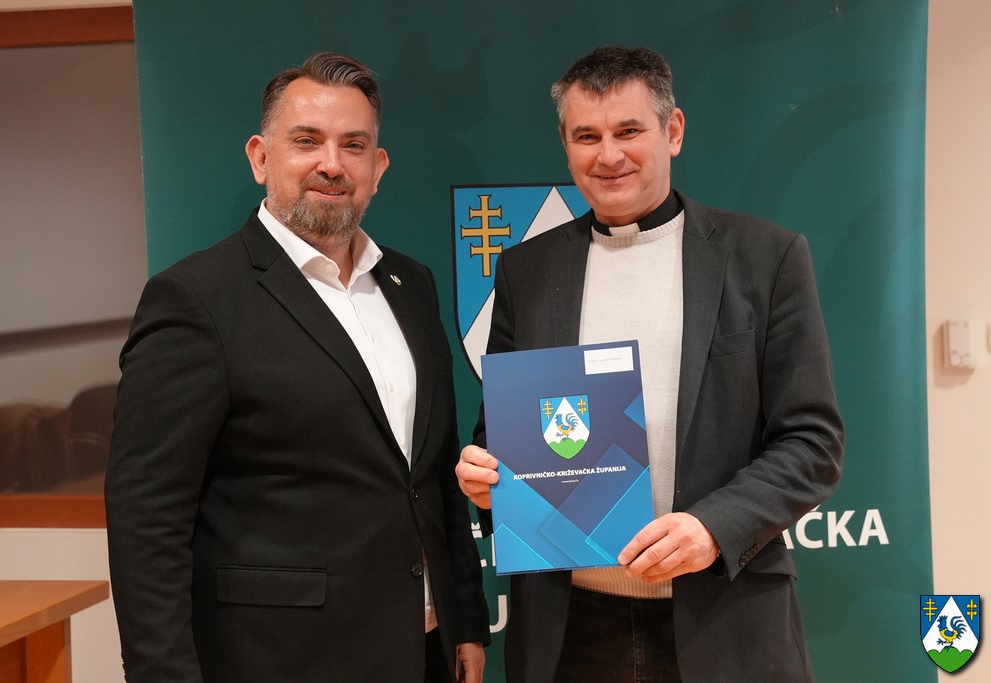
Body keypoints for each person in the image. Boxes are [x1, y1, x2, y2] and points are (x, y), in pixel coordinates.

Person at [456, 45, 844, 682]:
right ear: (565, 144)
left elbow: (812, 443)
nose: (608, 155)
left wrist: (711, 528)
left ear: (673, 130)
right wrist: (487, 479)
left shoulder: (766, 258)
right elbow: (499, 437)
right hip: (569, 631)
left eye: (629, 130)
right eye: (587, 136)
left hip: (723, 621)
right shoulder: (528, 272)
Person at [106, 52, 489, 682]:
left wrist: (465, 617)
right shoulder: (197, 299)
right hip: (278, 660)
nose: (331, 164)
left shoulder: (410, 283)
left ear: (377, 168)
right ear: (261, 157)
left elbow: (431, 475)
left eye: (353, 145)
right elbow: (146, 519)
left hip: (421, 649)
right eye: (306, 141)